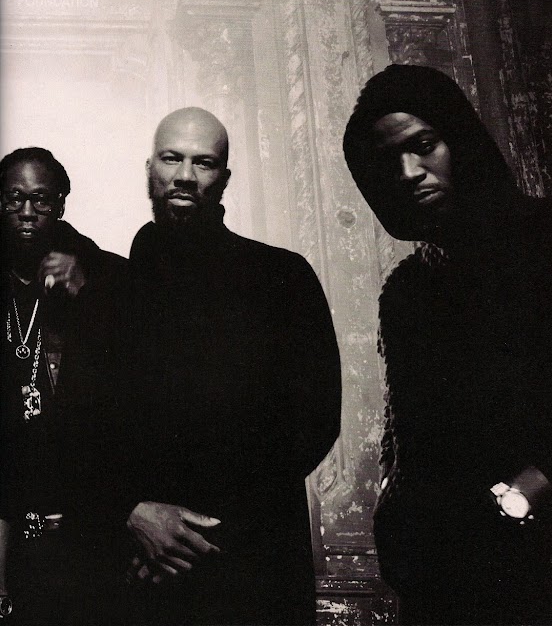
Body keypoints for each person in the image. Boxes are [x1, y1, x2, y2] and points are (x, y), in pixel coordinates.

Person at [343, 65, 552, 625]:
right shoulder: (405, 289)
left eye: (423, 145)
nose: (409, 172)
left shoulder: (544, 238)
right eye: (389, 160)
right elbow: (412, 434)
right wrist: (397, 520)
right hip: (444, 578)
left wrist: (527, 491)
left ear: (458, 140)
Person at [121, 107, 342, 626]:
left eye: (203, 162)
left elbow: (314, 422)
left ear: (224, 177)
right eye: (171, 158)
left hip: (254, 569)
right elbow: (90, 426)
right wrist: (132, 512)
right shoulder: (117, 285)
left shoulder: (282, 276)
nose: (184, 175)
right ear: (149, 169)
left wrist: (196, 532)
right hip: (141, 571)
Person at [0, 147, 127, 625]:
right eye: (14, 198)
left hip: (83, 526)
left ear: (60, 206)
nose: (27, 212)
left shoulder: (104, 275)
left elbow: (136, 384)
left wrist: (86, 291)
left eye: (41, 200)